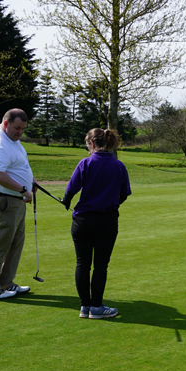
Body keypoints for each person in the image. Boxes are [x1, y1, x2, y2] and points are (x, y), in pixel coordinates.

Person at [62, 129, 132, 319]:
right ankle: (97, 307)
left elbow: (70, 192)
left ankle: (85, 307)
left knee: (82, 264)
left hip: (83, 221)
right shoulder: (118, 166)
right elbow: (123, 195)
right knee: (101, 265)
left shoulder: (85, 163)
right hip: (107, 221)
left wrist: (66, 202)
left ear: (92, 143)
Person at [0, 108, 37, 300]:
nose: (20, 132)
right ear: (6, 124)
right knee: (0, 244)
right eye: (17, 128)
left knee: (15, 243)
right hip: (1, 199)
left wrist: (31, 181)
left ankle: (5, 283)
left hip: (14, 199)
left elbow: (20, 165)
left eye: (23, 129)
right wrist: (23, 189)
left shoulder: (12, 140)